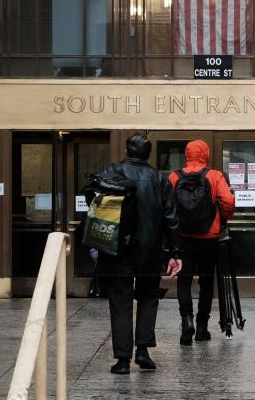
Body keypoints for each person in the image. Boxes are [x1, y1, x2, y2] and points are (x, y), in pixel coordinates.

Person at [94, 133, 182, 375]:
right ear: (148, 154)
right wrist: (174, 252)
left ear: (127, 150)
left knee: (120, 302)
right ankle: (143, 351)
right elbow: (171, 218)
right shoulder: (159, 179)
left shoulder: (112, 171)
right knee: (148, 297)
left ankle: (122, 360)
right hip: (150, 249)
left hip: (117, 248)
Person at [168, 140, 235, 346]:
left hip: (183, 237)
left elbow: (167, 206)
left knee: (184, 280)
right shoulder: (214, 176)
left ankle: (186, 321)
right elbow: (228, 202)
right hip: (209, 238)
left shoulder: (174, 176)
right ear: (205, 153)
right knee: (207, 281)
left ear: (187, 154)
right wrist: (222, 217)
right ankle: (202, 327)